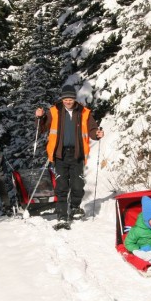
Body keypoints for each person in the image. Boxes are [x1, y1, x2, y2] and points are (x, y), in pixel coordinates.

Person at [35, 85, 104, 224]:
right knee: (61, 185)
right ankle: (61, 213)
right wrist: (40, 117)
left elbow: (92, 129)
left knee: (78, 184)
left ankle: (74, 208)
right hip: (60, 154)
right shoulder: (54, 111)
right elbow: (42, 127)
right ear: (62, 99)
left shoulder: (84, 112)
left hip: (77, 153)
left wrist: (97, 134)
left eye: (70, 99)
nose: (68, 101)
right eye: (65, 99)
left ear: (74, 99)